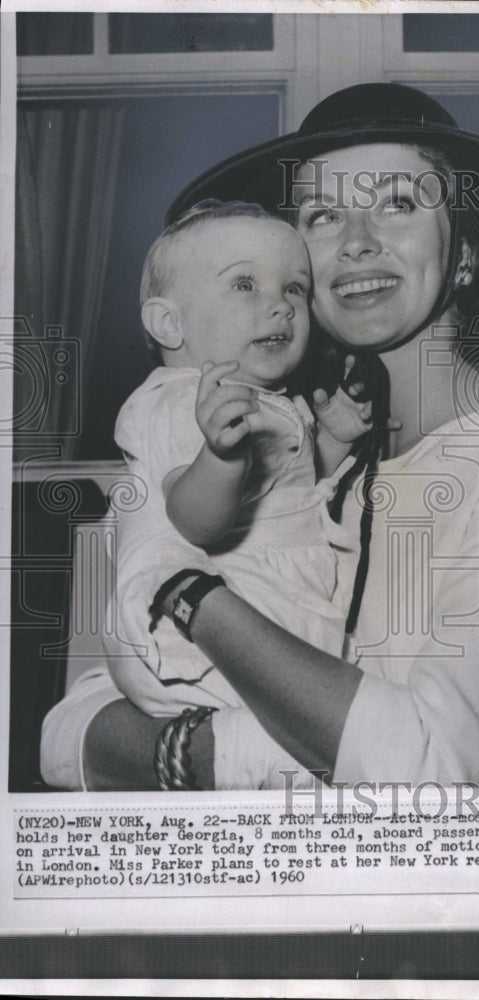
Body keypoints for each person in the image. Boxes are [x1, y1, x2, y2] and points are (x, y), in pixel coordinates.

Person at [40, 83, 479, 791]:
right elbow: (67, 730)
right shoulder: (293, 457)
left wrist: (191, 595)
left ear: (464, 252)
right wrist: (276, 755)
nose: (356, 243)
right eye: (322, 214)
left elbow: (432, 769)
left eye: (398, 203)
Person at [104, 201, 372, 784]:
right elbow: (193, 518)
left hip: (278, 598)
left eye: (295, 288)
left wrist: (329, 440)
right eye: (245, 284)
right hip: (229, 620)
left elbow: (284, 490)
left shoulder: (262, 400)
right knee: (322, 753)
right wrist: (220, 457)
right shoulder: (182, 401)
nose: (280, 303)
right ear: (170, 324)